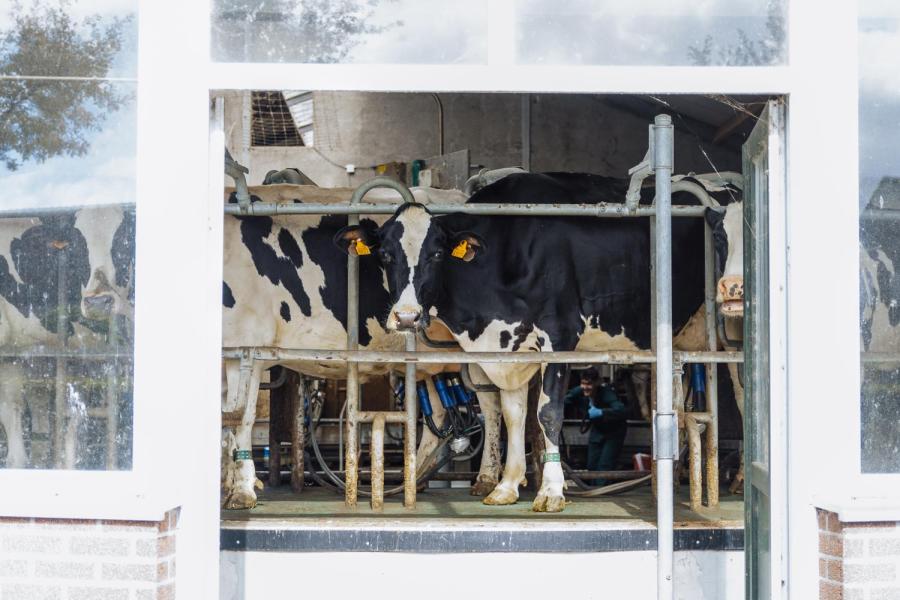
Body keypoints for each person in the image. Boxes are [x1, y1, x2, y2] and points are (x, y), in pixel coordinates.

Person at [565, 368, 628, 486]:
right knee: (591, 464)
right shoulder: (579, 392)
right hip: (598, 429)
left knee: (605, 464)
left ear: (596, 383)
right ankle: (592, 487)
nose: (585, 387)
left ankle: (600, 490)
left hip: (614, 432)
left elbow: (622, 411)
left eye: (589, 384)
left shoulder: (606, 393)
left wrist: (602, 412)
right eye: (583, 383)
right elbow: (565, 401)